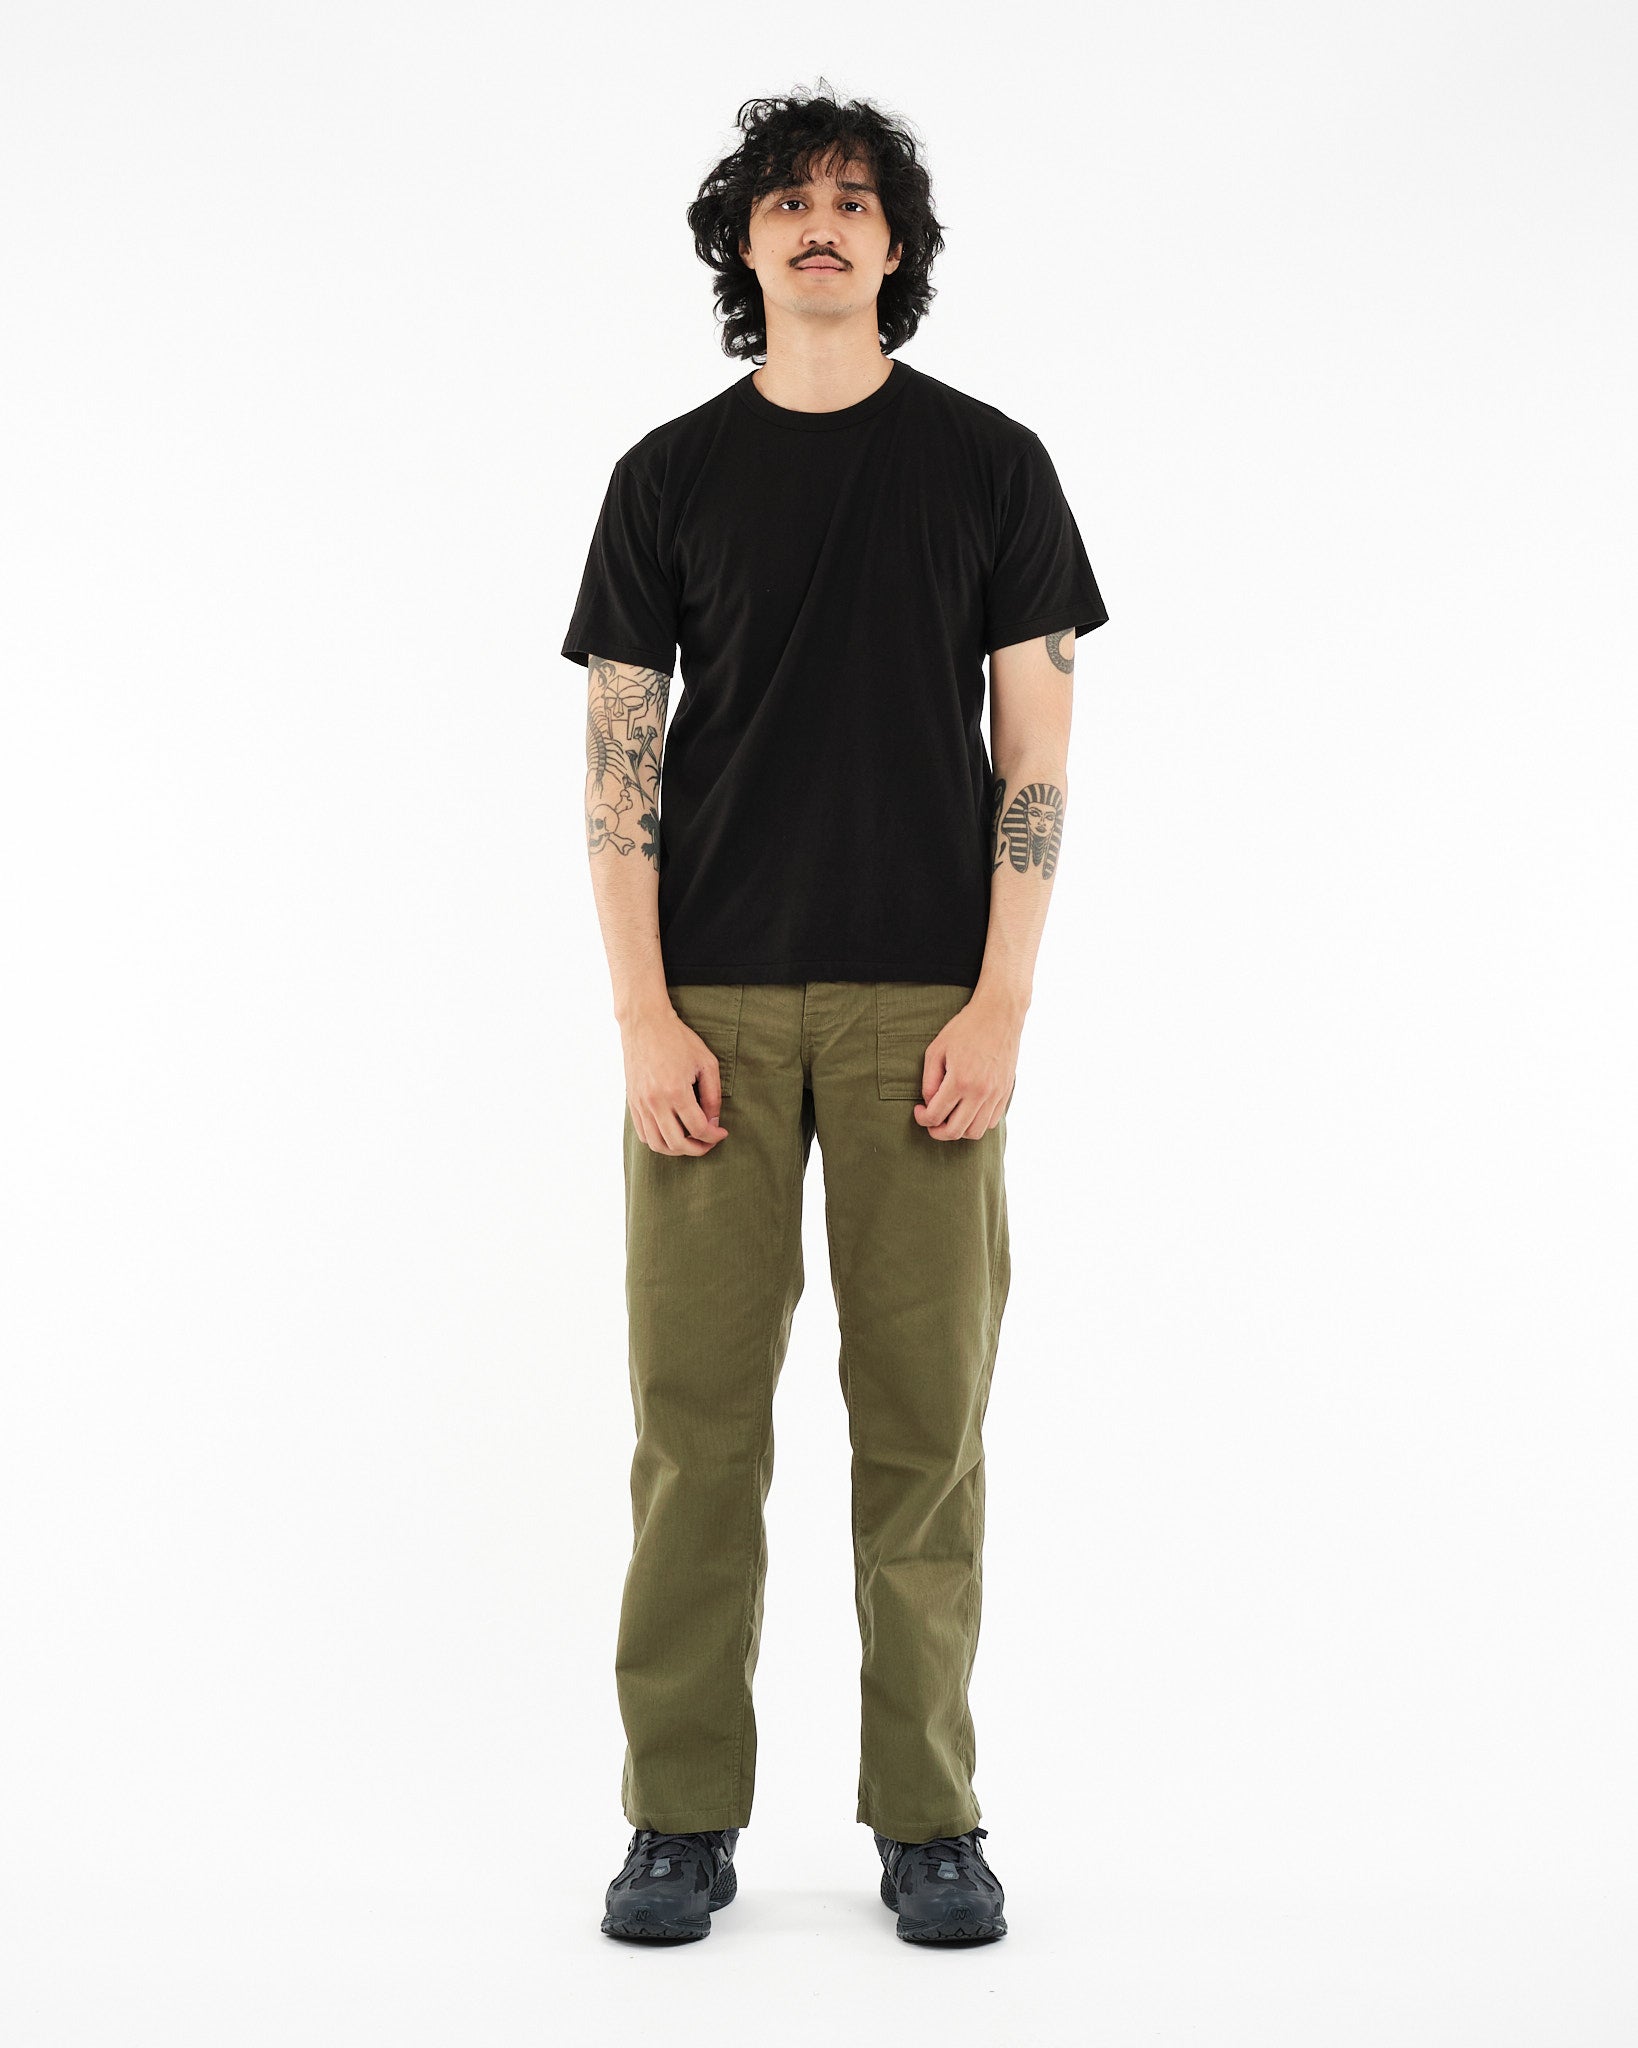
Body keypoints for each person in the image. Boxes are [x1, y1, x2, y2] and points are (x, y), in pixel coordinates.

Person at [560, 85, 1108, 1947]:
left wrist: (1001, 1002)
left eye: (855, 201)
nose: (820, 222)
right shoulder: (665, 477)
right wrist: (640, 1015)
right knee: (694, 1432)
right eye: (787, 199)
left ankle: (929, 1818)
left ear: (894, 247)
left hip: (921, 1008)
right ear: (742, 242)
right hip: (706, 1004)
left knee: (924, 1431)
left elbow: (1035, 753)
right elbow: (618, 772)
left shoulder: (989, 464)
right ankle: (677, 1818)